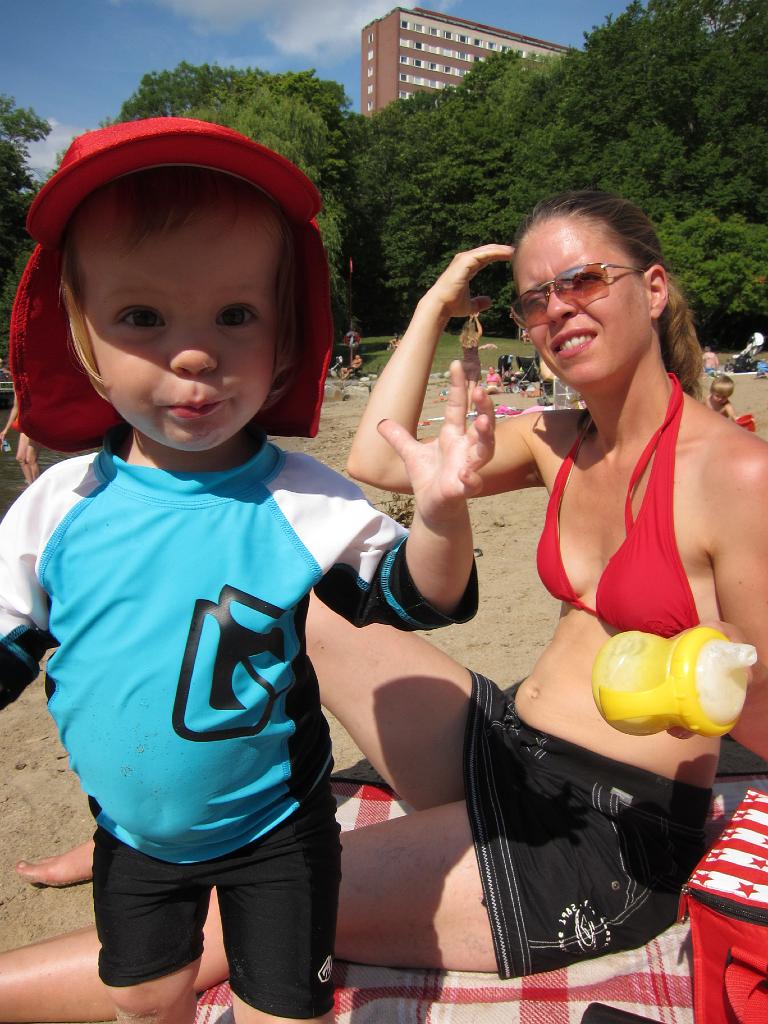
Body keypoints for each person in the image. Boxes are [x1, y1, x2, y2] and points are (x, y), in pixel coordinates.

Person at [3, 189, 768, 1021]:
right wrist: (436, 303)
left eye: (582, 280)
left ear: (652, 289)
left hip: (603, 831)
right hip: (509, 744)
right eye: (535, 297)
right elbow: (379, 457)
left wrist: (717, 676)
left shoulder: (735, 475)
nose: (557, 309)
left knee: (243, 919)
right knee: (285, 601)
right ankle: (162, 813)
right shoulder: (559, 438)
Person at [0, 118, 491, 1024]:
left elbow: (418, 598)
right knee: (144, 995)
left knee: (283, 1010)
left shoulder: (301, 498)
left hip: (279, 827)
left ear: (285, 340)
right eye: (142, 318)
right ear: (83, 338)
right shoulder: (58, 508)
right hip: (135, 832)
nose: (195, 354)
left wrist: (439, 515)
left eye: (235, 316)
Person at [0, 397, 41, 485]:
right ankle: (30, 485)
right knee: (21, 458)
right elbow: (16, 407)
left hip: (34, 424)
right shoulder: (17, 389)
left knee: (31, 459)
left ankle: (38, 486)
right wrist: (6, 429)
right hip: (24, 426)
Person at [458, 311, 482, 396]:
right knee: (471, 389)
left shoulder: (462, 338)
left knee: (465, 388)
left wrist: (470, 319)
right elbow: (480, 331)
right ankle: (469, 405)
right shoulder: (475, 339)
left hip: (465, 364)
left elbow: (467, 329)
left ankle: (463, 404)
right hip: (474, 365)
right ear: (473, 329)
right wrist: (476, 318)